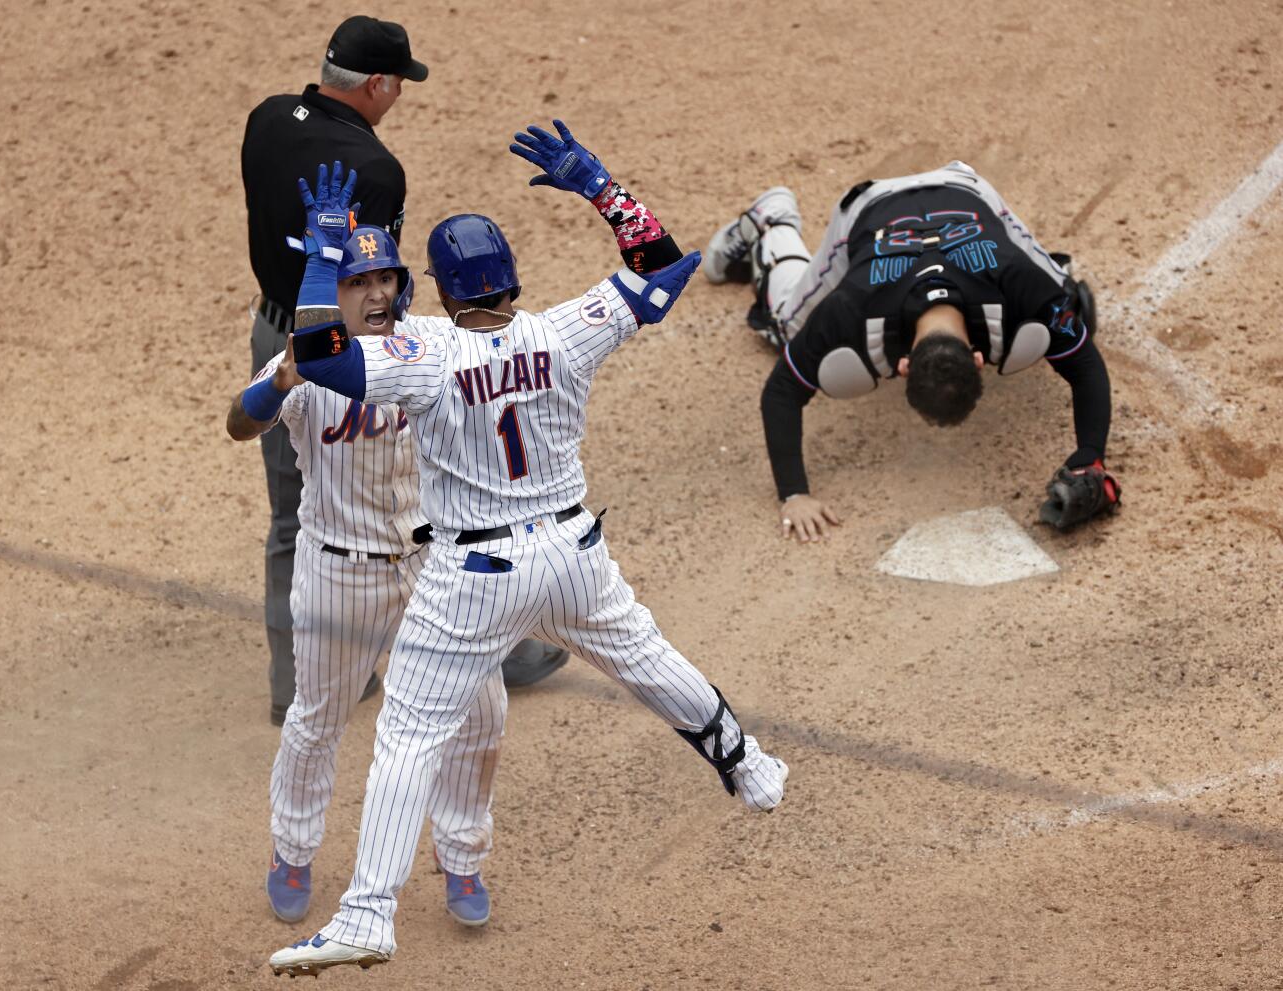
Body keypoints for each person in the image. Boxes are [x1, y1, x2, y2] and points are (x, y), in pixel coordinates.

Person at [263, 125, 790, 978]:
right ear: (511, 277)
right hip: (574, 554)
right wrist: (599, 187)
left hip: (473, 577)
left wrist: (326, 260)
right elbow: (663, 273)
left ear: (434, 287)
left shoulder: (424, 350)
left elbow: (321, 357)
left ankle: (366, 914)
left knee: (406, 735)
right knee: (646, 655)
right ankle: (749, 764)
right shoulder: (566, 329)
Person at [240, 15, 564, 722]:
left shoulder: (267, 117)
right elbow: (373, 279)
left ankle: (294, 684)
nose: (399, 97)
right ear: (379, 83)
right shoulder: (377, 170)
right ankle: (498, 649)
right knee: (428, 495)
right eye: (399, 85)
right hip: (356, 352)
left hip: (274, 329)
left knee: (297, 513)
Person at [226, 226, 504, 930]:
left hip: (432, 564)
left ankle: (463, 854)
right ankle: (292, 850)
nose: (378, 291)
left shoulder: (433, 345)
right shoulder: (304, 361)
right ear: (334, 295)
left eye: (387, 277)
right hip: (339, 573)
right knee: (318, 719)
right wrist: (280, 378)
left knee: (482, 710)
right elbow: (238, 421)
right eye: (359, 281)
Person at [703, 163, 1121, 543]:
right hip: (872, 209)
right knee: (785, 326)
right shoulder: (850, 305)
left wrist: (1090, 459)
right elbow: (780, 390)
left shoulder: (1012, 282)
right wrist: (792, 493)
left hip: (967, 192)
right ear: (978, 359)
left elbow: (1084, 362)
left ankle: (775, 222)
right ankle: (773, 220)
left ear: (902, 366)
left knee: (1067, 305)